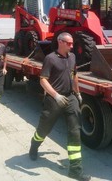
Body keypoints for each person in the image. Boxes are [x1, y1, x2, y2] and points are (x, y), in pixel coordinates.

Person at [29, 32, 91, 181]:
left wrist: (78, 93)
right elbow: (43, 80)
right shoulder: (50, 59)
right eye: (69, 43)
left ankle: (75, 170)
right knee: (44, 129)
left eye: (72, 44)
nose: (71, 46)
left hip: (70, 97)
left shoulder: (72, 57)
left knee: (75, 131)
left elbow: (74, 75)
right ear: (60, 42)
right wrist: (56, 95)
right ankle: (34, 146)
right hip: (54, 99)